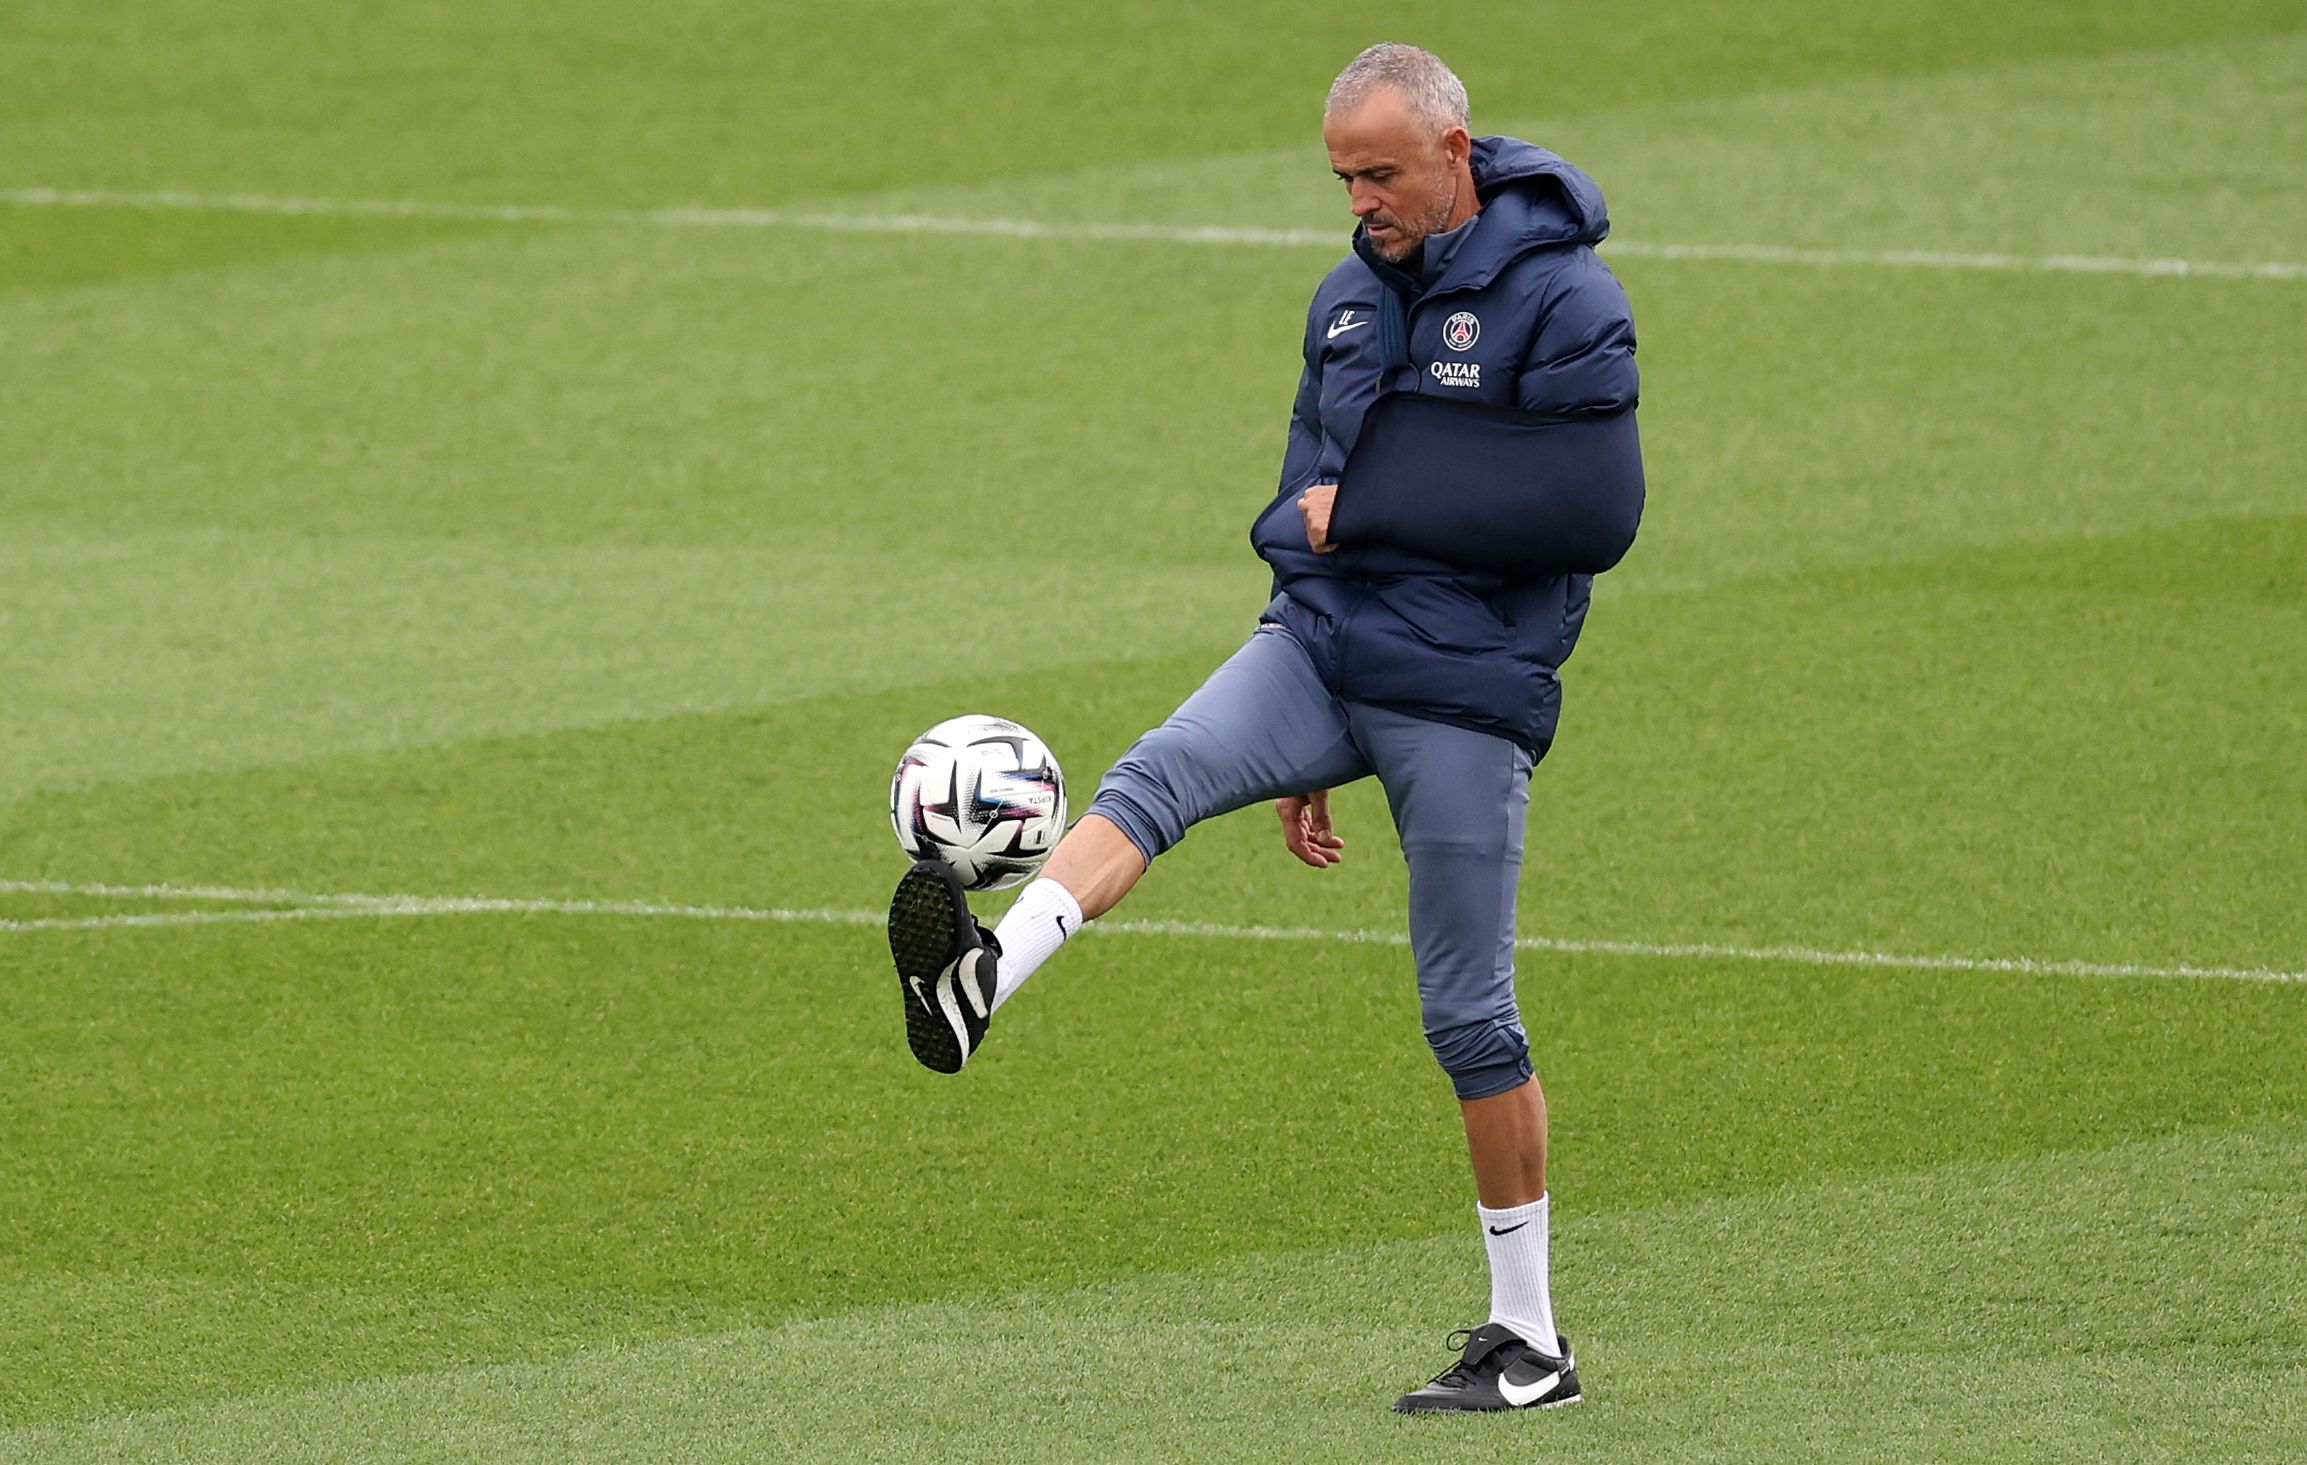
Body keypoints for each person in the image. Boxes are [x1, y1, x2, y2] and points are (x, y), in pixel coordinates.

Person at [886, 41, 1641, 1414]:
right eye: (1342, 175)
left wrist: (1372, 516)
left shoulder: (1564, 298)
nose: (1360, 198)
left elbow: (1593, 514)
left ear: (1455, 154)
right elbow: (1305, 495)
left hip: (1464, 688)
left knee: (1468, 1013)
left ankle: (1529, 1340)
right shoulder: (1349, 301)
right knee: (1159, 772)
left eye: (1382, 172)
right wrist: (1305, 678)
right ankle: (985, 974)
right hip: (1322, 648)